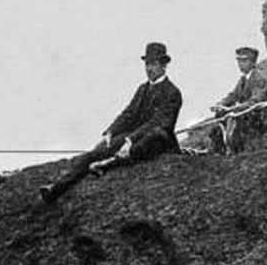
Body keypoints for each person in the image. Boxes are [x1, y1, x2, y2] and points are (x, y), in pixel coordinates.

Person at [39, 42, 183, 203]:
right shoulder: (142, 89)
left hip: (158, 141)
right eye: (147, 64)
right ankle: (55, 189)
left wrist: (130, 140)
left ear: (164, 65)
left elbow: (159, 122)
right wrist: (111, 131)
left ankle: (108, 164)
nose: (149, 69)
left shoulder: (173, 93)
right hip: (133, 137)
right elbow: (128, 114)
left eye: (154, 64)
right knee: (93, 154)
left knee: (154, 135)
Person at [206, 46, 267, 154]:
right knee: (219, 116)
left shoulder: (259, 78)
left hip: (262, 117)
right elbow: (233, 95)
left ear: (252, 62)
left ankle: (236, 151)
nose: (240, 64)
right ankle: (218, 150)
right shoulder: (243, 79)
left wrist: (234, 108)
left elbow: (255, 101)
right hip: (248, 114)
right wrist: (220, 104)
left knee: (237, 121)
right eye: (239, 60)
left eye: (244, 61)